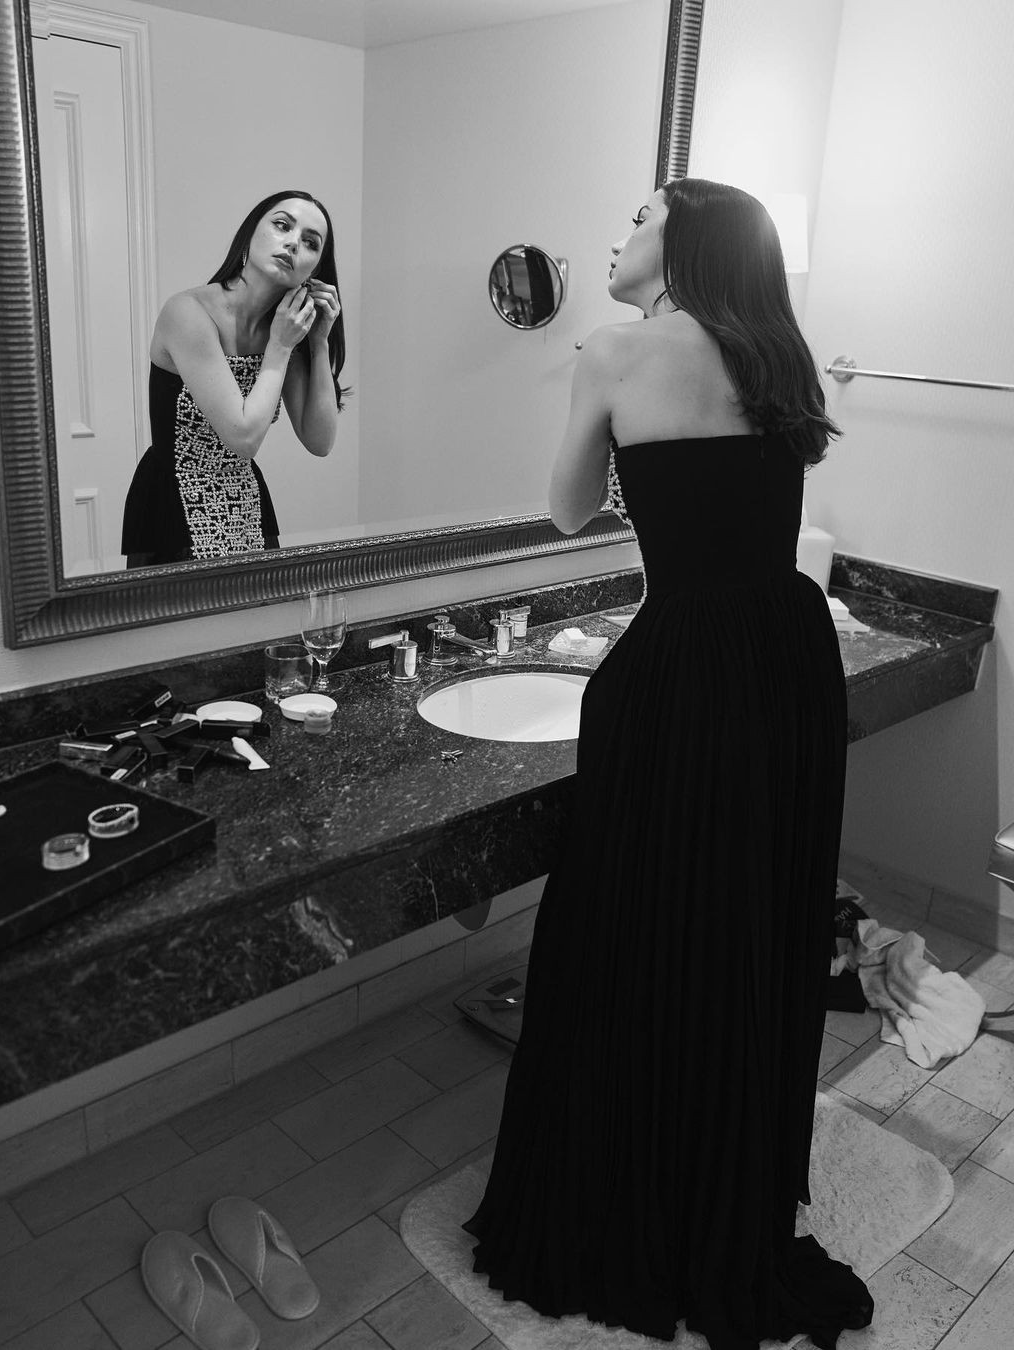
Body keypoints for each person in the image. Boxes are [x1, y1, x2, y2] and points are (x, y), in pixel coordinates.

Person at [463, 178, 875, 1350]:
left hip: (683, 662)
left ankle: (630, 1185)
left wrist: (617, 448)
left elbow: (564, 512)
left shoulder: (611, 351)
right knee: (748, 917)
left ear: (685, 240)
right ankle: (726, 1187)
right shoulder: (780, 354)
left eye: (641, 217)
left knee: (632, 920)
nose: (619, 232)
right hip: (785, 653)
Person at [121, 190, 347, 567]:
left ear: (314, 269)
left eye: (311, 242)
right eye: (282, 225)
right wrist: (279, 345)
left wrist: (319, 341)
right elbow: (243, 438)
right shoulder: (188, 313)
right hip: (172, 503)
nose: (294, 243)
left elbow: (320, 441)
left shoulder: (285, 326)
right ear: (249, 234)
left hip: (246, 504)